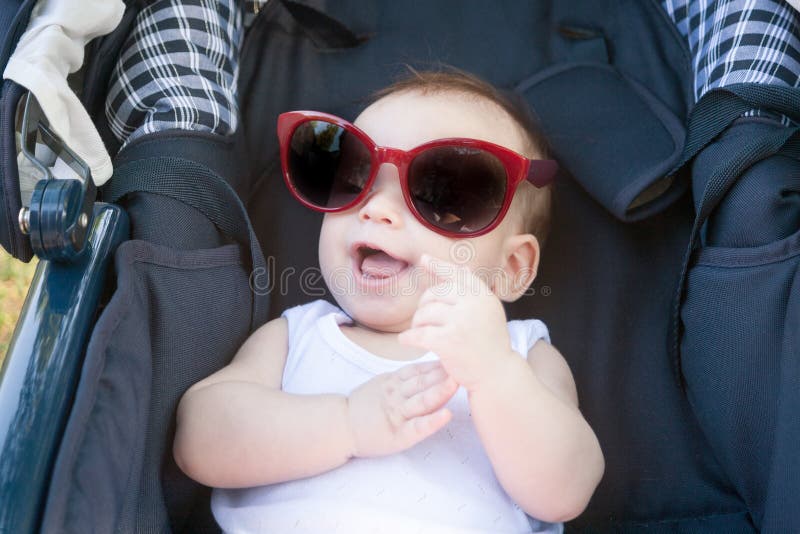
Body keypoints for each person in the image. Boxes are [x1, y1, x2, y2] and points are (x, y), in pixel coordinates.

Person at [173, 69, 604, 533]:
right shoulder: (296, 337)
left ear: (513, 267)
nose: (376, 209)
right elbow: (200, 439)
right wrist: (347, 423)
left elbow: (568, 489)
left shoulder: (521, 354)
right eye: (354, 175)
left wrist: (495, 374)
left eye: (443, 192)